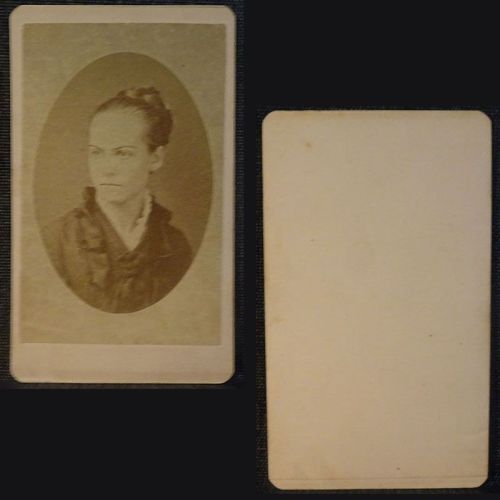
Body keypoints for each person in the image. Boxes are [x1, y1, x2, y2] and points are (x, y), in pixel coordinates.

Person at [42, 87, 192, 313]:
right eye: (97, 152)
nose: (106, 169)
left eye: (123, 153)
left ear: (156, 158)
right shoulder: (56, 241)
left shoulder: (175, 246)